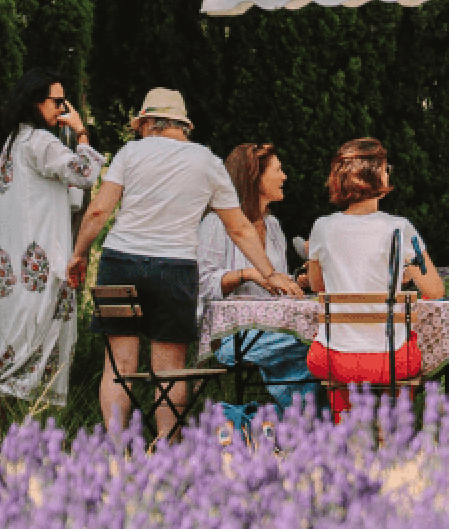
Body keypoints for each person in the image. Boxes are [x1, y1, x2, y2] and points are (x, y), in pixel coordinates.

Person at [66, 89, 301, 436]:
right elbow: (238, 227)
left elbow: (99, 211)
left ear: (148, 122)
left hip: (120, 263)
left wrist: (79, 254)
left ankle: (116, 449)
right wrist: (269, 273)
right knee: (171, 370)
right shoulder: (207, 161)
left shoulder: (130, 153)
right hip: (174, 270)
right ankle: (167, 446)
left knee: (119, 365)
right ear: (183, 125)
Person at [0, 69, 104, 420]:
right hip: (40, 266)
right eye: (58, 101)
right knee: (30, 340)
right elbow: (86, 173)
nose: (63, 109)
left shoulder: (14, 145)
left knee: (12, 340)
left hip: (12, 269)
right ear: (34, 101)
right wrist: (82, 132)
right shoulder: (40, 143)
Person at [305, 138, 444, 420]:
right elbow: (436, 290)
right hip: (390, 361)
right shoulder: (399, 228)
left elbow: (318, 286)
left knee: (334, 356)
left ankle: (345, 422)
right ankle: (392, 426)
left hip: (335, 360)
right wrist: (408, 271)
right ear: (374, 175)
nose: (388, 172)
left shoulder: (322, 227)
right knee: (407, 351)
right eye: (385, 168)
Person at [198, 143, 319, 414]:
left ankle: (284, 422)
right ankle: (304, 424)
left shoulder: (273, 226)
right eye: (278, 170)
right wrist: (249, 274)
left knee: (318, 345)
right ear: (255, 176)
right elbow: (203, 284)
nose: (284, 176)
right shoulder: (216, 223)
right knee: (316, 344)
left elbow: (276, 283)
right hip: (231, 337)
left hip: (276, 330)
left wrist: (296, 282)